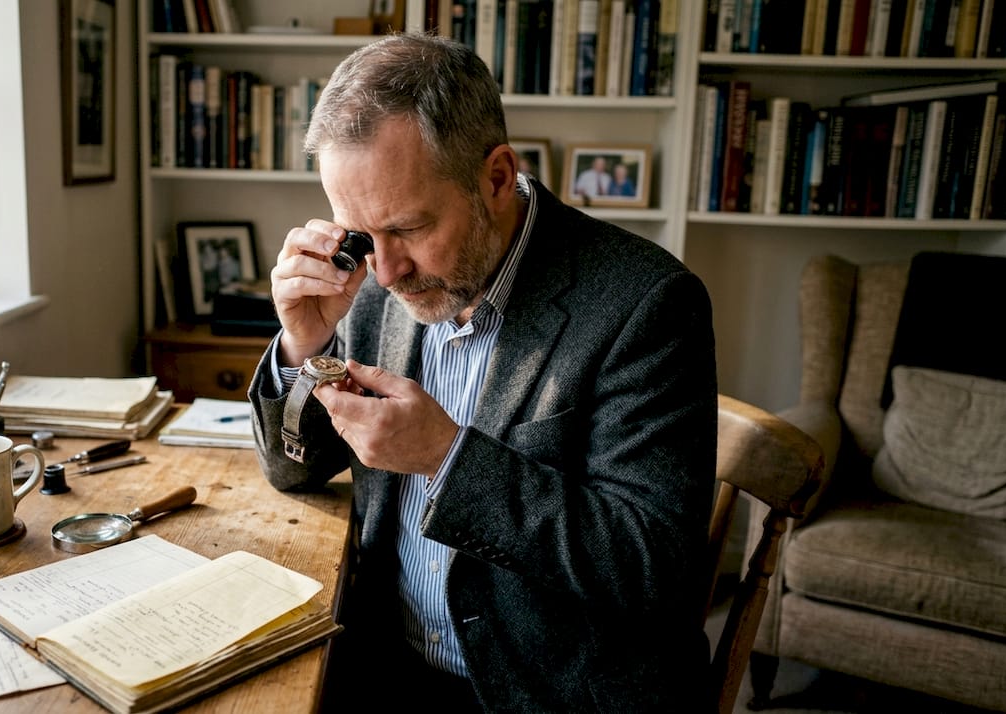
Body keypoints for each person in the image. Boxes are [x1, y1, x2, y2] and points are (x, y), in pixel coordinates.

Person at [247, 34, 717, 713]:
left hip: (551, 692)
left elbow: (652, 569)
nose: (384, 269)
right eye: (360, 234)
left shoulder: (646, 303)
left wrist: (445, 455)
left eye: (408, 228)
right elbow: (292, 468)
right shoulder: (376, 279)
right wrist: (304, 342)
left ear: (496, 177)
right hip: (384, 664)